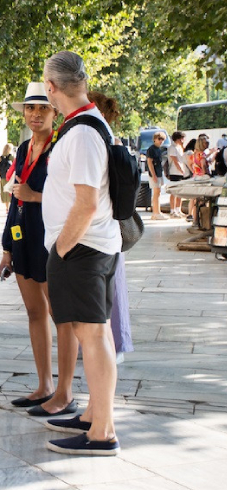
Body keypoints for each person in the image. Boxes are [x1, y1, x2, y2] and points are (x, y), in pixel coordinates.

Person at [40, 50, 121, 456]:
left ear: (52, 88)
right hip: (87, 247)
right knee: (94, 332)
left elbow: (87, 203)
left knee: (93, 335)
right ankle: (93, 413)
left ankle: (102, 433)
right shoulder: (83, 126)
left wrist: (61, 247)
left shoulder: (85, 132)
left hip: (83, 248)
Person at [0, 83, 76, 410]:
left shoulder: (62, 147)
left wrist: (36, 196)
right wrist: (6, 247)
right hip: (23, 236)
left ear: (55, 112)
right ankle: (44, 385)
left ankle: (65, 393)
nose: (35, 114)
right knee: (34, 313)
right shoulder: (22, 149)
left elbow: (78, 198)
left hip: (53, 238)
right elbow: (16, 198)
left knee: (62, 317)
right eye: (30, 108)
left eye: (43, 108)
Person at [88, 91, 134, 362]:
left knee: (111, 287)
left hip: (107, 226)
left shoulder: (106, 143)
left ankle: (115, 344)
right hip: (106, 225)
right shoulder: (107, 141)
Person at [167, 131, 190, 218]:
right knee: (174, 192)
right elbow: (175, 160)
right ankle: (172, 210)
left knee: (180, 192)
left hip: (181, 172)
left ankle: (178, 209)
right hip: (174, 172)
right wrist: (181, 170)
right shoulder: (172, 148)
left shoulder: (180, 147)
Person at [145, 132, 167, 220]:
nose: (161, 141)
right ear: (155, 139)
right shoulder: (151, 149)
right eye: (159, 139)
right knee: (156, 192)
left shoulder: (159, 149)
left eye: (162, 140)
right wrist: (153, 175)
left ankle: (157, 211)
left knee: (158, 192)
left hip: (158, 172)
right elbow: (150, 163)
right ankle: (155, 212)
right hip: (154, 173)